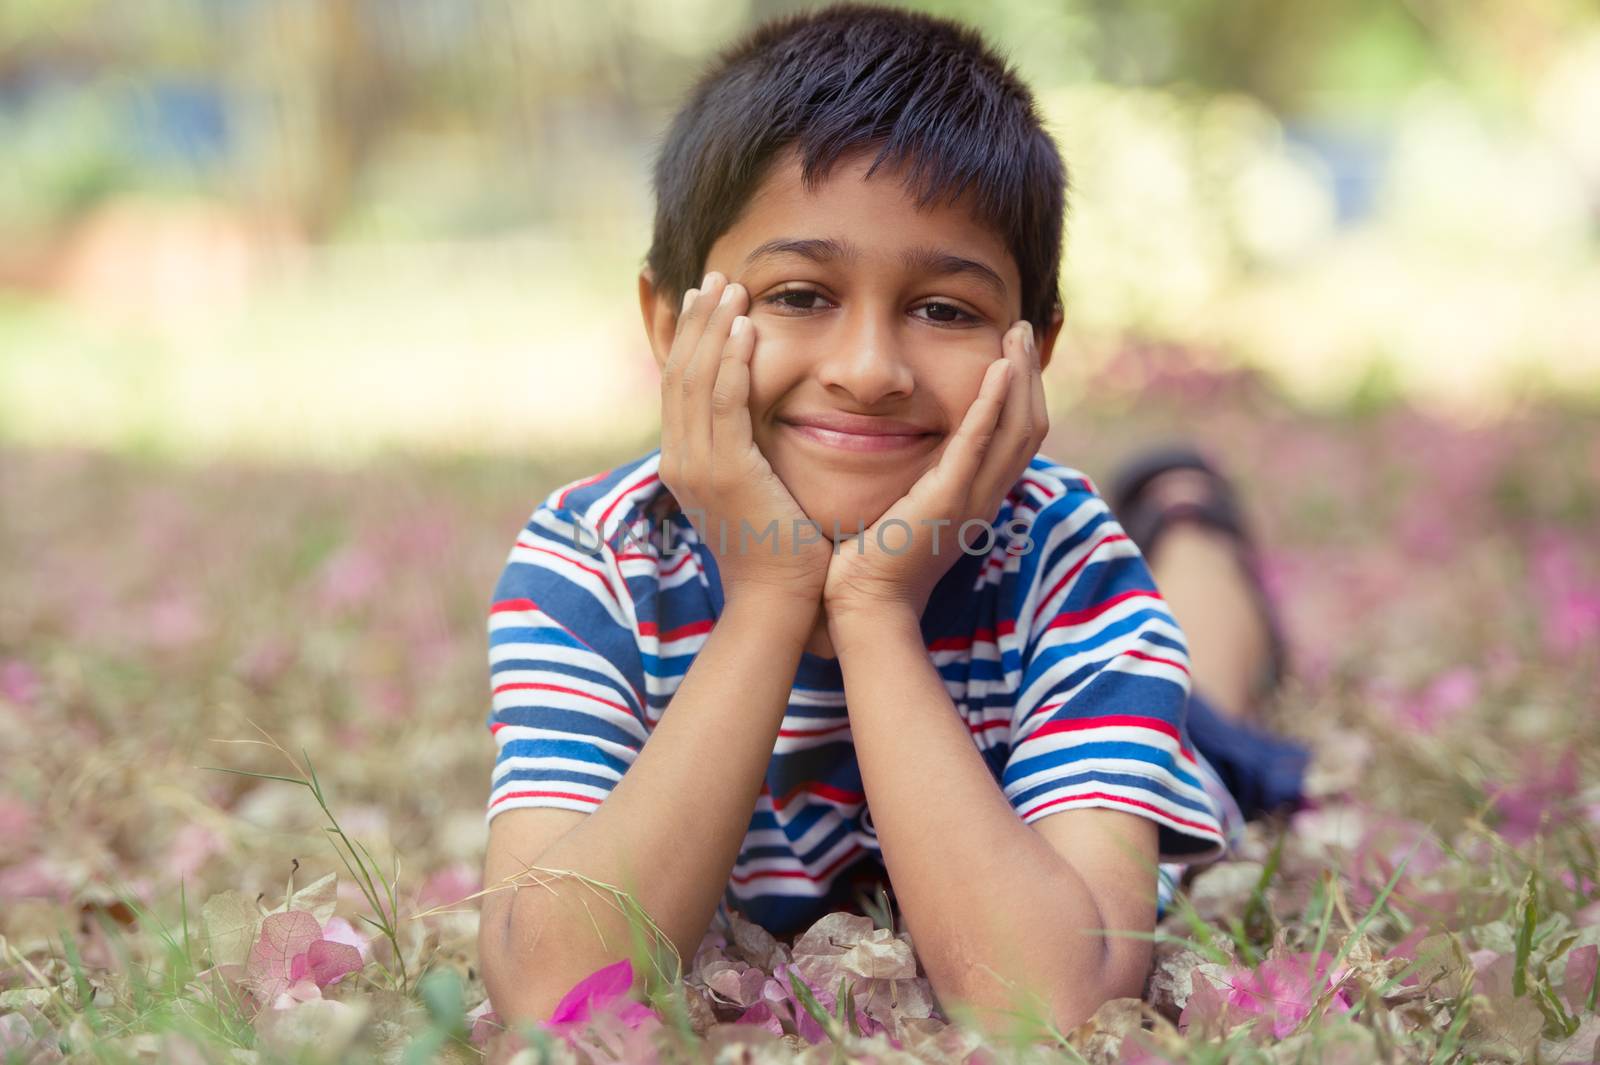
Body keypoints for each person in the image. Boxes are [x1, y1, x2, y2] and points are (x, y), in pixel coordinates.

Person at [475, 1, 1310, 1039]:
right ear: (668, 322)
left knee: (1212, 708)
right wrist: (772, 594)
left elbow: (1046, 1005)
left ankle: (1187, 517)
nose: (868, 372)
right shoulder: (598, 557)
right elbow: (557, 994)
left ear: (1032, 350)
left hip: (1132, 739)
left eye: (945, 311)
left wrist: (871, 606)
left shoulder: (1063, 559)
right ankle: (1180, 518)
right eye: (796, 293)